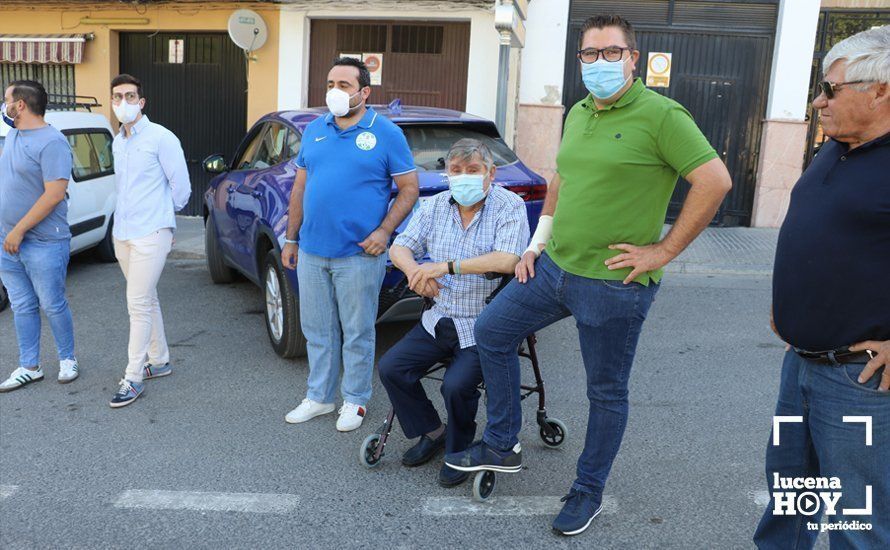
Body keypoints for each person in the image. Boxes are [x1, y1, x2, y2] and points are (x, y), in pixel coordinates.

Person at [445, 14, 732, 536]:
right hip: (555, 266)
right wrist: (535, 245)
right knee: (492, 330)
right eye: (589, 54)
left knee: (605, 392)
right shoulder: (578, 111)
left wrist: (663, 251)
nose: (599, 63)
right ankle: (503, 442)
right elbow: (561, 179)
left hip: (612, 284)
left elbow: (714, 181)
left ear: (632, 57)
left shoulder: (662, 115)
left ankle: (587, 490)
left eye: (610, 52)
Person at [753, 26, 890, 550]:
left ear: (880, 89)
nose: (818, 101)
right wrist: (789, 306)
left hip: (858, 378)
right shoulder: (835, 147)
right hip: (801, 364)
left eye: (831, 89)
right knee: (790, 493)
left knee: (858, 519)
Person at [378, 139, 529, 487]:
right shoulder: (433, 207)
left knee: (456, 386)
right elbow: (400, 246)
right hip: (439, 317)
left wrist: (443, 268)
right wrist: (416, 273)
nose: (464, 177)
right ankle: (433, 431)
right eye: (456, 171)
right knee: (392, 368)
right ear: (447, 173)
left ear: (490, 174)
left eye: (473, 171)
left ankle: (460, 449)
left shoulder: (509, 206)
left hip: (483, 323)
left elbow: (508, 259)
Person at [281, 57, 419, 432]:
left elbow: (409, 190)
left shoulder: (386, 133)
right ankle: (320, 397)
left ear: (364, 92)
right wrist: (291, 238)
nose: (335, 91)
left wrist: (384, 232)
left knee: (357, 331)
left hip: (359, 253)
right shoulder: (315, 130)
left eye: (344, 85)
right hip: (311, 249)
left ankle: (355, 400)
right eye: (331, 83)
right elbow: (300, 186)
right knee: (317, 330)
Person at [107, 73, 191, 408]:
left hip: (151, 232)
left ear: (141, 102)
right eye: (117, 97)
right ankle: (159, 360)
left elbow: (181, 187)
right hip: (122, 234)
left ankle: (133, 377)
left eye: (129, 96)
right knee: (147, 298)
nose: (123, 102)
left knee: (137, 304)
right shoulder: (118, 141)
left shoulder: (161, 138)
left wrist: (164, 223)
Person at [0, 80, 79, 392]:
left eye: (6, 98)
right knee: (21, 305)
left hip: (43, 241)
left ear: (20, 105)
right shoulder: (13, 136)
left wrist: (19, 230)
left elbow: (54, 195)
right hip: (7, 240)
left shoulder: (53, 142)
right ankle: (29, 366)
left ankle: (68, 358)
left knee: (52, 302)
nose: (3, 104)